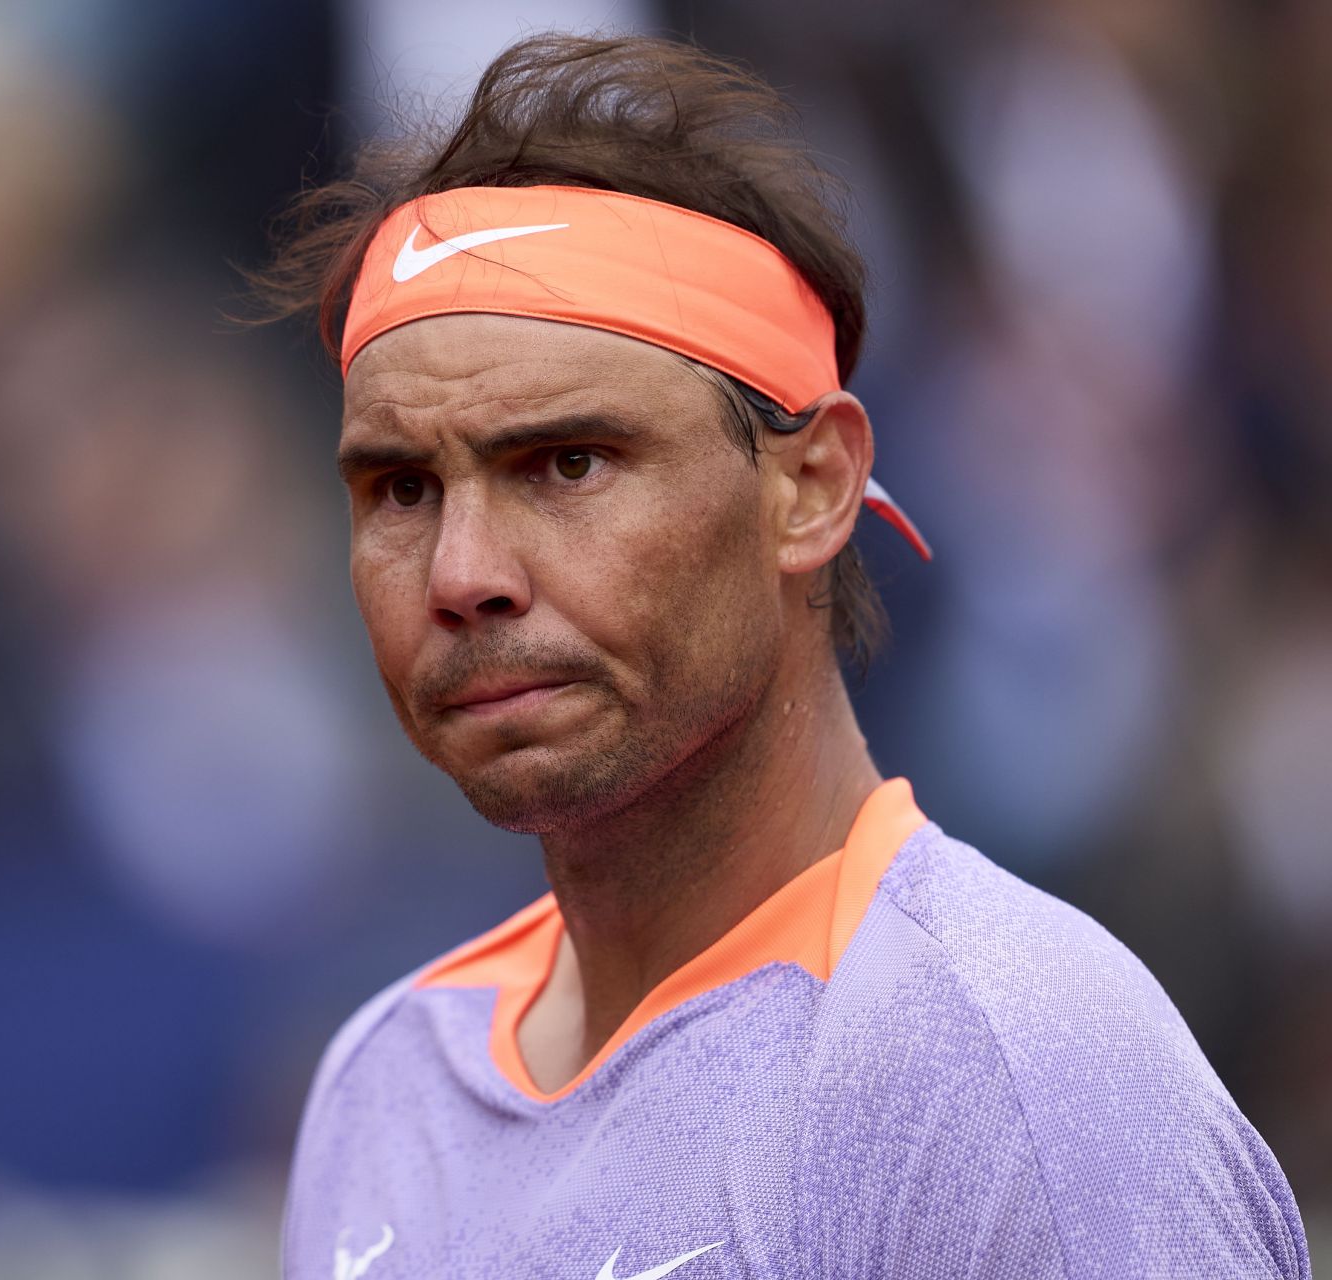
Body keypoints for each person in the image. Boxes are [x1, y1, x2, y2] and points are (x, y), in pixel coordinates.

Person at [251, 33, 1309, 1280]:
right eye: (401, 487)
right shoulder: (379, 1086)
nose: (462, 571)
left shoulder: (1016, 1077)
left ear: (812, 488)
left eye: (568, 462)